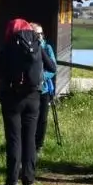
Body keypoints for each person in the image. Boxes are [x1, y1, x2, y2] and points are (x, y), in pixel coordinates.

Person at [0, 18, 52, 185]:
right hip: (33, 98)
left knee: (14, 140)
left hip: (12, 99)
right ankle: (29, 183)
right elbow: (52, 66)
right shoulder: (37, 44)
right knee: (30, 141)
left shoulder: (8, 47)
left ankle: (11, 183)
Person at [32, 22, 55, 152]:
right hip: (29, 90)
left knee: (42, 118)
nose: (39, 36)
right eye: (36, 33)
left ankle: (38, 144)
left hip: (44, 88)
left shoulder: (47, 48)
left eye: (41, 33)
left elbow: (53, 68)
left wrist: (40, 78)